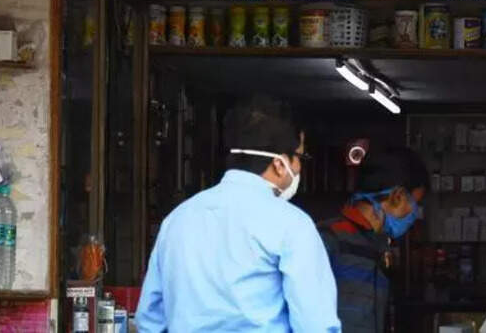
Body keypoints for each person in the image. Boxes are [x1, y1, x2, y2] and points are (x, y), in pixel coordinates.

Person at [136, 95, 341, 333]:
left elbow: (150, 320)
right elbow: (314, 324)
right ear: (279, 164)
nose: (299, 168)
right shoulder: (292, 226)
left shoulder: (177, 220)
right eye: (301, 157)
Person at [318, 146, 428, 333]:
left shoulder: (378, 248)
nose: (415, 213)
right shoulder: (327, 239)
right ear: (397, 196)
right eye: (415, 204)